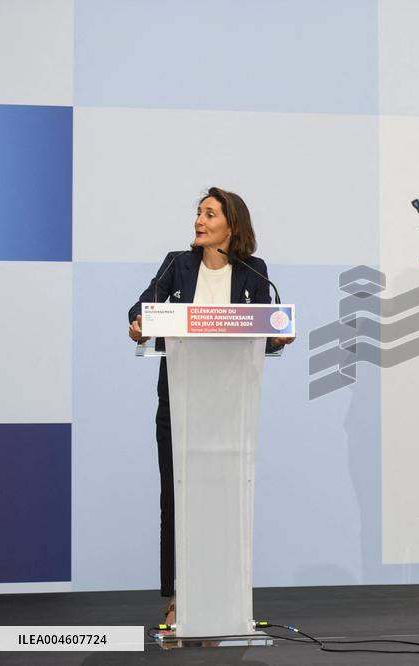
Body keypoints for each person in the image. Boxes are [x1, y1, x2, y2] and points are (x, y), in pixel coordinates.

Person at [127, 187, 293, 626]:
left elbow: (269, 325)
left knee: (228, 500)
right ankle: (179, 596)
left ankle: (228, 596)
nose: (199, 221)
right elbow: (140, 309)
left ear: (231, 226)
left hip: (231, 409)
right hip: (181, 403)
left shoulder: (253, 272)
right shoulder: (175, 264)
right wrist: (141, 324)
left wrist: (276, 337)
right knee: (177, 498)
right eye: (198, 213)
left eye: (210, 214)